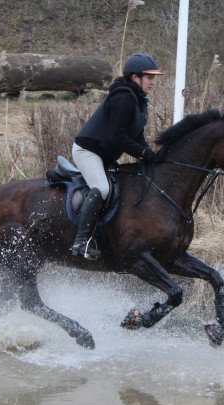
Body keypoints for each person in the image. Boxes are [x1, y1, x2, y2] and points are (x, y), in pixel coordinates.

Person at [70, 52, 163, 260]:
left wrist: (152, 157)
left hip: (104, 154)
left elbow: (136, 136)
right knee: (102, 188)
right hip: (88, 151)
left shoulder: (139, 100)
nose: (152, 82)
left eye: (153, 78)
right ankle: (82, 241)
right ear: (135, 77)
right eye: (149, 77)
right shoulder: (123, 98)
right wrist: (143, 154)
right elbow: (117, 137)